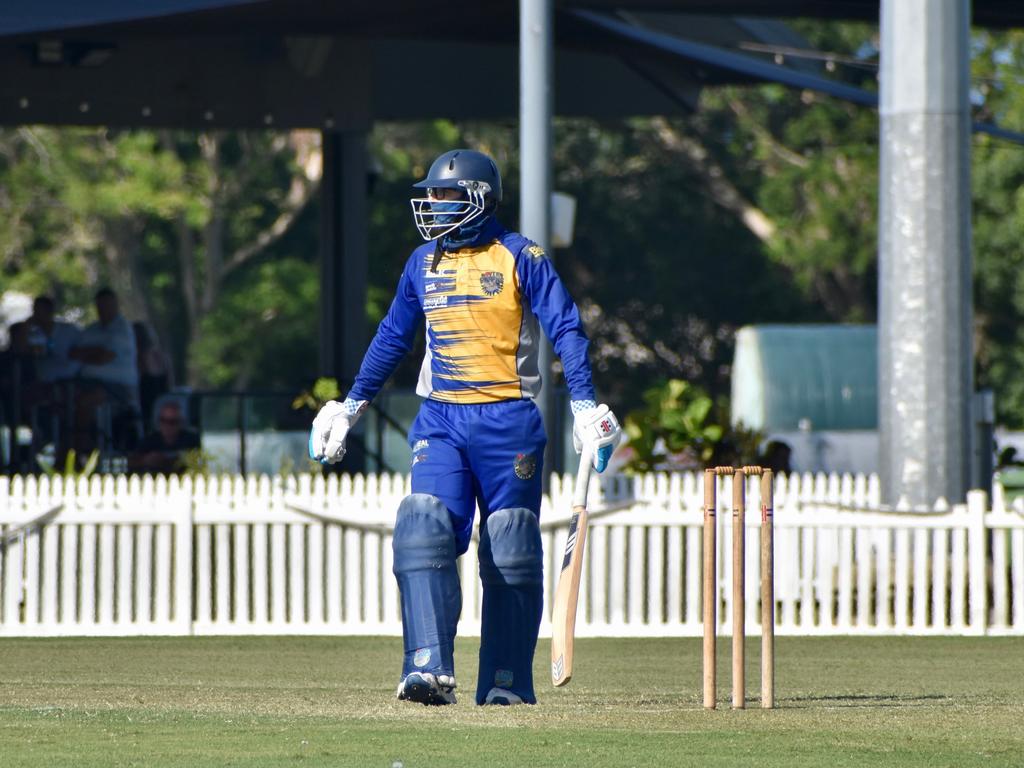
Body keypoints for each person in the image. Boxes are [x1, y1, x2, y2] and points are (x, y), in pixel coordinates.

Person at [309, 149, 622, 707]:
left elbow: (567, 330)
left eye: (446, 196)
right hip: (442, 417)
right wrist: (351, 405)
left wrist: (584, 404)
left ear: (480, 199)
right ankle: (427, 668)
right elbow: (392, 337)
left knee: (510, 543)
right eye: (431, 196)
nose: (433, 206)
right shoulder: (421, 263)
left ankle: (505, 682)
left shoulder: (520, 256)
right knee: (423, 522)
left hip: (510, 420)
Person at [70, 288, 140, 453]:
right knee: (62, 399)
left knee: (86, 401)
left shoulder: (122, 330)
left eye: (108, 305)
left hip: (118, 389)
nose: (104, 309)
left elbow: (105, 357)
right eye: (101, 305)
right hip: (85, 383)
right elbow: (73, 353)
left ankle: (82, 450)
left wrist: (89, 353)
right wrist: (96, 352)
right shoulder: (91, 330)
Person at [128, 399, 199, 474]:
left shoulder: (192, 440)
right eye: (163, 420)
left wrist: (171, 461)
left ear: (180, 422)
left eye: (172, 422)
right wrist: (145, 461)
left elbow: (201, 460)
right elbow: (131, 461)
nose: (167, 426)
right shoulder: (149, 441)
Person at [28, 295, 82, 385]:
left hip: (69, 381)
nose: (35, 314)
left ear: (50, 311)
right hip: (42, 381)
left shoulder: (69, 330)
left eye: (38, 310)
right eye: (34, 310)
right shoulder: (34, 333)